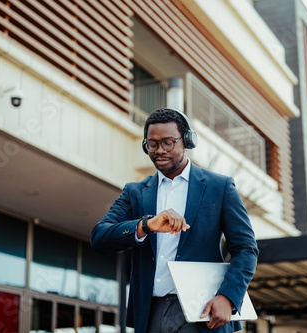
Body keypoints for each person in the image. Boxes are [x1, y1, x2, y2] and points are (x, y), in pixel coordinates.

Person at [91, 108, 258, 332]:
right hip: (150, 311)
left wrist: (228, 296)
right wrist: (146, 225)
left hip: (201, 311)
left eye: (168, 142)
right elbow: (99, 237)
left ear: (187, 140)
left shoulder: (220, 187)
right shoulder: (135, 192)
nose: (160, 150)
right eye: (152, 144)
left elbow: (246, 248)